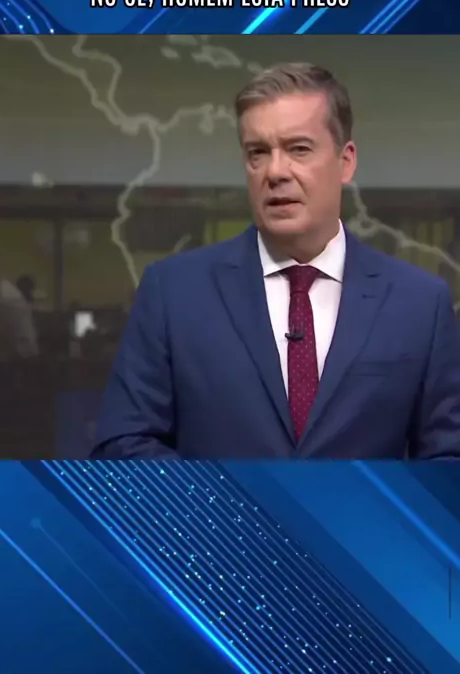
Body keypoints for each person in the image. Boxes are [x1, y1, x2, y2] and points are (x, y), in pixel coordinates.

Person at [92, 63, 460, 460]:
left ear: (346, 161)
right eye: (258, 152)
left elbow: (447, 458)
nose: (275, 171)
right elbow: (123, 445)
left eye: (299, 149)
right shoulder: (174, 293)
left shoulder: (419, 303)